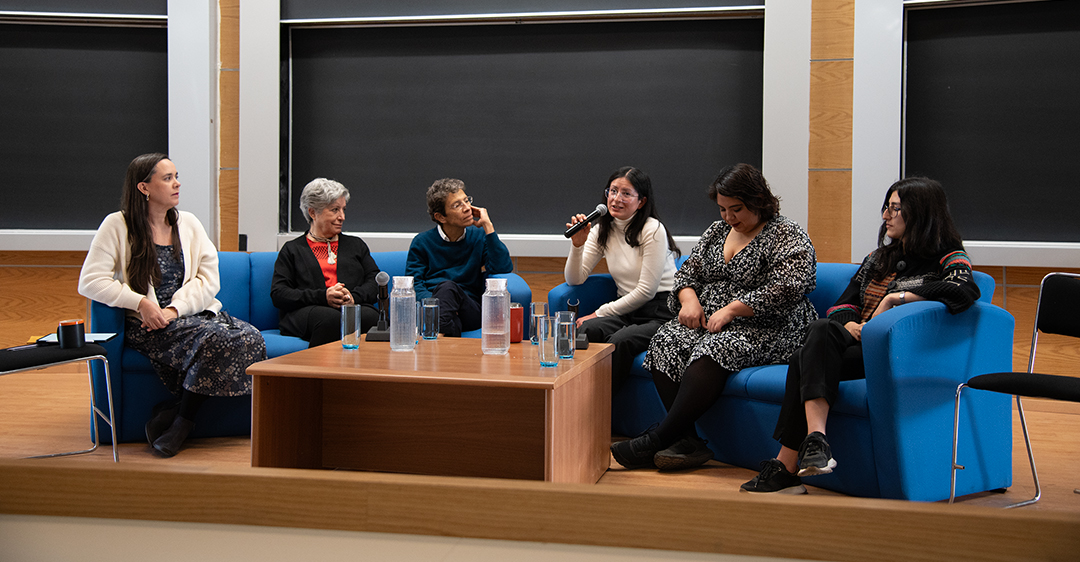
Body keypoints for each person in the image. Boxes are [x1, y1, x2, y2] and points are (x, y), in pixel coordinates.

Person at [740, 177, 980, 494]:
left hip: (896, 353)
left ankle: (788, 465)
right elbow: (843, 304)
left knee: (803, 358)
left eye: (895, 208)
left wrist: (896, 299)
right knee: (821, 332)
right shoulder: (878, 258)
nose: (885, 215)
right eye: (886, 207)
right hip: (856, 346)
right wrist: (851, 324)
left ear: (920, 213)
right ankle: (814, 441)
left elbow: (964, 290)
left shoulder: (948, 256)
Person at [611, 163, 817, 472]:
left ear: (759, 199)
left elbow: (788, 287)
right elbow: (688, 273)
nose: (729, 217)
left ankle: (658, 437)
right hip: (711, 321)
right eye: (722, 209)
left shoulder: (786, 233)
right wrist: (689, 300)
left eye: (736, 209)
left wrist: (734, 308)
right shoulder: (718, 231)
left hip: (770, 325)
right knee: (665, 341)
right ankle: (688, 441)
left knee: (715, 348)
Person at [78, 153, 266, 457]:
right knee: (217, 339)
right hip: (149, 326)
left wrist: (175, 309)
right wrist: (140, 303)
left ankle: (176, 414)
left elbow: (208, 279)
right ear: (144, 188)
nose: (177, 184)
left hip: (188, 316)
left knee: (251, 337)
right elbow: (90, 280)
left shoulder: (188, 223)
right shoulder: (117, 225)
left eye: (176, 176)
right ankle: (181, 426)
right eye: (168, 178)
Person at [564, 166, 680, 394]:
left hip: (661, 311)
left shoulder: (652, 229)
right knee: (585, 331)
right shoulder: (601, 230)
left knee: (620, 341)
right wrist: (577, 245)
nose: (616, 199)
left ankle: (600, 409)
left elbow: (646, 291)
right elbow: (574, 279)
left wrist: (600, 312)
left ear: (641, 201)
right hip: (627, 309)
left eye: (626, 193)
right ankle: (570, 401)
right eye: (613, 191)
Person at [271, 178, 380, 347]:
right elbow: (279, 293)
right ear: (313, 213)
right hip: (308, 310)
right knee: (331, 319)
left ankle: (363, 371)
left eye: (343, 209)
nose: (342, 217)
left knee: (371, 317)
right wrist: (323, 296)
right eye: (335, 210)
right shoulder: (292, 249)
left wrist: (353, 297)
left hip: (350, 307)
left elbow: (375, 281)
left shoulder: (356, 245)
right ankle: (320, 373)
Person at [405, 178, 514, 337]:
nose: (467, 208)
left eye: (466, 200)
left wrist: (488, 227)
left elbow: (503, 267)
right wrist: (441, 306)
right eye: (457, 205)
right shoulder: (422, 242)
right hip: (436, 308)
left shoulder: (479, 237)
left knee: (448, 287)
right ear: (441, 217)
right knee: (450, 317)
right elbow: (415, 284)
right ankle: (445, 336)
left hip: (469, 309)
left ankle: (433, 334)